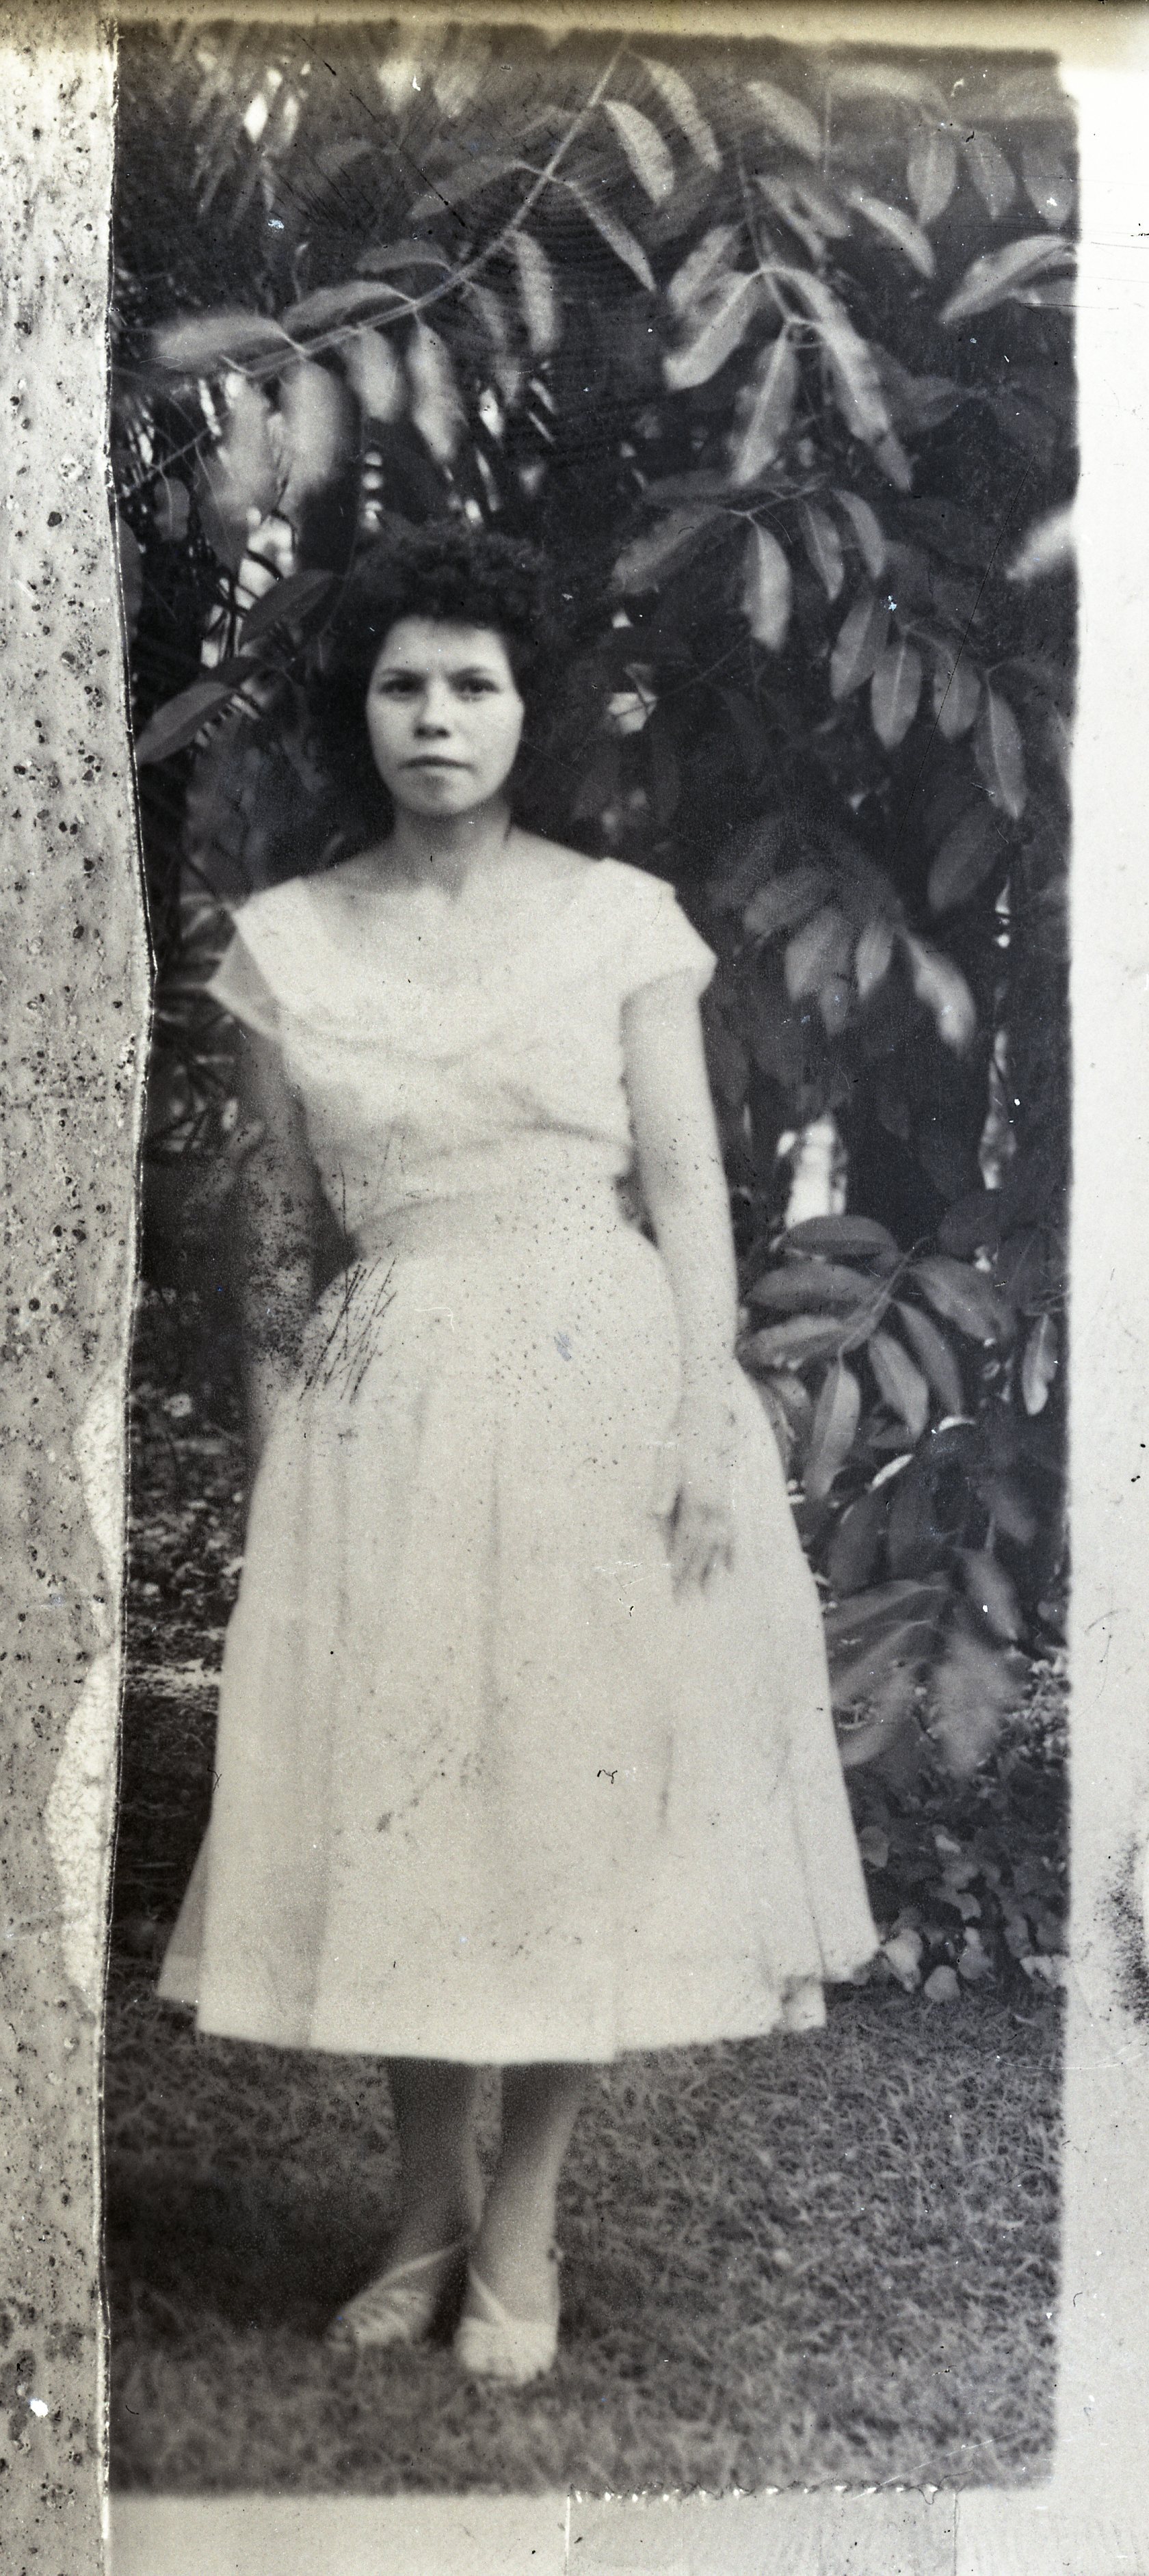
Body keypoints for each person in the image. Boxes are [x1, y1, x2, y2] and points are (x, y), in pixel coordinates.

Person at [158, 520, 876, 2387]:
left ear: (526, 712)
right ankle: (423, 2211)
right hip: (385, 1393)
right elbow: (271, 1226)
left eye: (472, 684)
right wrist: (277, 1451)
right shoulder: (287, 943)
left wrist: (705, 1417)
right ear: (360, 712)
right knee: (412, 1791)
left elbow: (690, 1188)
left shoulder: (620, 921)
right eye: (402, 684)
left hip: (596, 1376)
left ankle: (525, 2222)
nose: (436, 716)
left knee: (565, 1798)